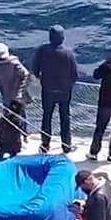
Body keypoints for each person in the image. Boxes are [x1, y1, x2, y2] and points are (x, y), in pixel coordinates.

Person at [31, 25, 79, 153]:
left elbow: (35, 70)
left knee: (46, 116)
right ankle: (66, 146)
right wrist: (68, 84)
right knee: (65, 118)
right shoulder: (68, 53)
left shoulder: (42, 50)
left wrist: (43, 78)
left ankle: (45, 145)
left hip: (47, 90)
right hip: (64, 91)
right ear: (62, 38)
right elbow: (75, 75)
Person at [0, 42, 31, 157]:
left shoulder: (10, 63)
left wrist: (19, 92)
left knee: (20, 117)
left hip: (14, 96)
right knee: (9, 118)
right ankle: (14, 139)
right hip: (8, 95)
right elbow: (25, 75)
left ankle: (23, 136)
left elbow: (25, 75)